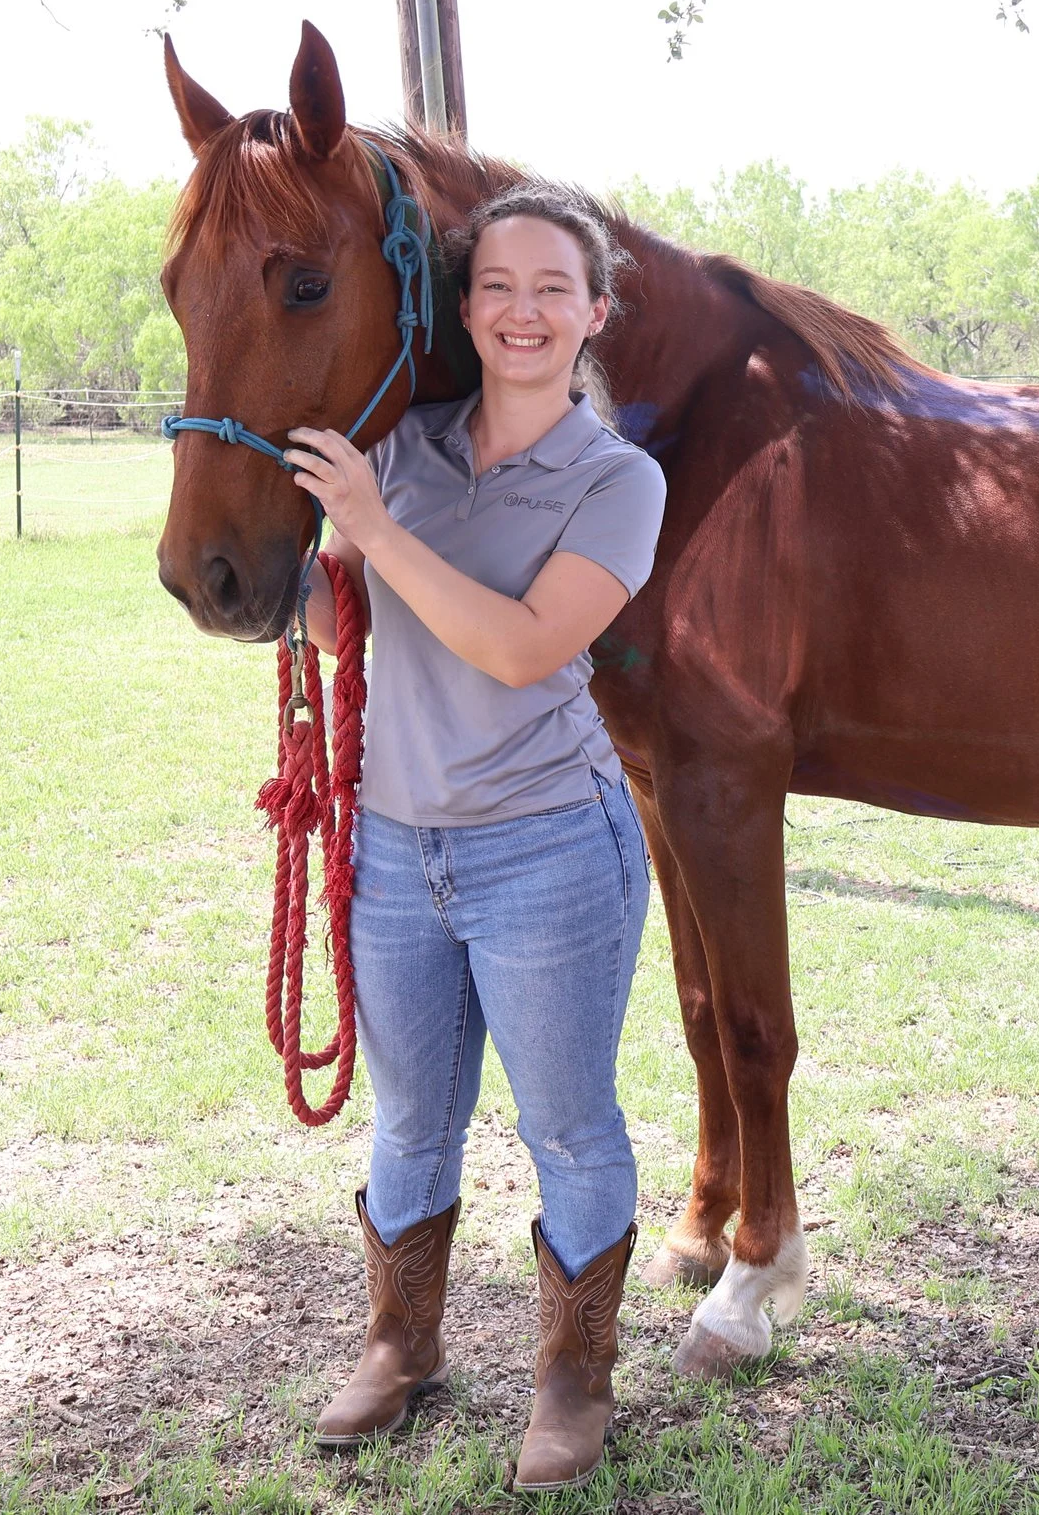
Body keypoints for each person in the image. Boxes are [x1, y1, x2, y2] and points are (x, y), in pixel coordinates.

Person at [281, 181, 666, 1490]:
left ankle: (573, 1376)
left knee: (566, 1128)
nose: (521, 310)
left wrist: (376, 530)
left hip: (548, 850)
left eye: (552, 288)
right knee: (408, 1126)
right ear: (468, 303)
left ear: (593, 313)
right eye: (497, 284)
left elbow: (516, 646)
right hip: (396, 848)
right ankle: (401, 1344)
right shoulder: (398, 447)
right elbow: (365, 627)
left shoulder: (618, 480)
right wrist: (270, 587)